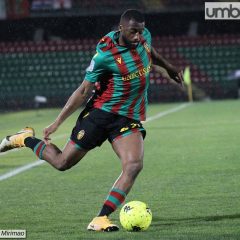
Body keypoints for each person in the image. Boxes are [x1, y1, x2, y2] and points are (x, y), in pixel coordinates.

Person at [0, 9, 183, 232]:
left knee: (134, 165)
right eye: (134, 32)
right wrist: (57, 122)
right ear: (121, 28)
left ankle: (101, 217)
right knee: (62, 163)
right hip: (100, 115)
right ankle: (24, 139)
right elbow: (84, 90)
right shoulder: (105, 54)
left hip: (127, 117)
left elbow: (150, 52)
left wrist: (169, 67)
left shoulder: (144, 37)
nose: (138, 37)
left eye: (141, 31)